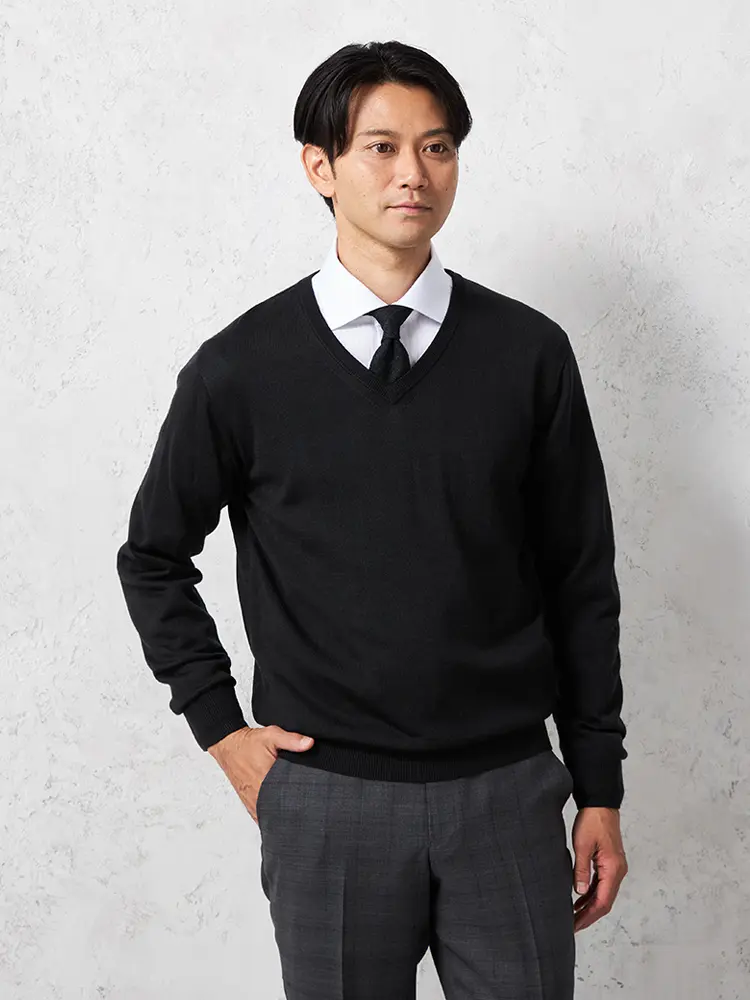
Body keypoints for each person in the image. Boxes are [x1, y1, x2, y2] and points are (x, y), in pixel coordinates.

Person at [117, 39, 629, 1000]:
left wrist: (599, 786)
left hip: (509, 793)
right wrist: (224, 732)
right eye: (381, 147)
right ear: (320, 166)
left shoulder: (529, 354)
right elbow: (152, 558)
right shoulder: (240, 369)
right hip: (327, 800)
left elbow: (580, 580)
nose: (413, 174)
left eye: (437, 148)